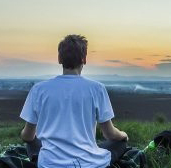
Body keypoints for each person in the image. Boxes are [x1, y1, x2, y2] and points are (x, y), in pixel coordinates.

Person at [19, 34, 128, 168]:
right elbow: (109, 134)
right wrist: (124, 135)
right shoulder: (97, 89)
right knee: (120, 142)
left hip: (50, 163)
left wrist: (30, 136)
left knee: (32, 142)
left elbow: (28, 136)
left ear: (59, 59)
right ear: (84, 59)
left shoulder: (39, 89)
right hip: (89, 164)